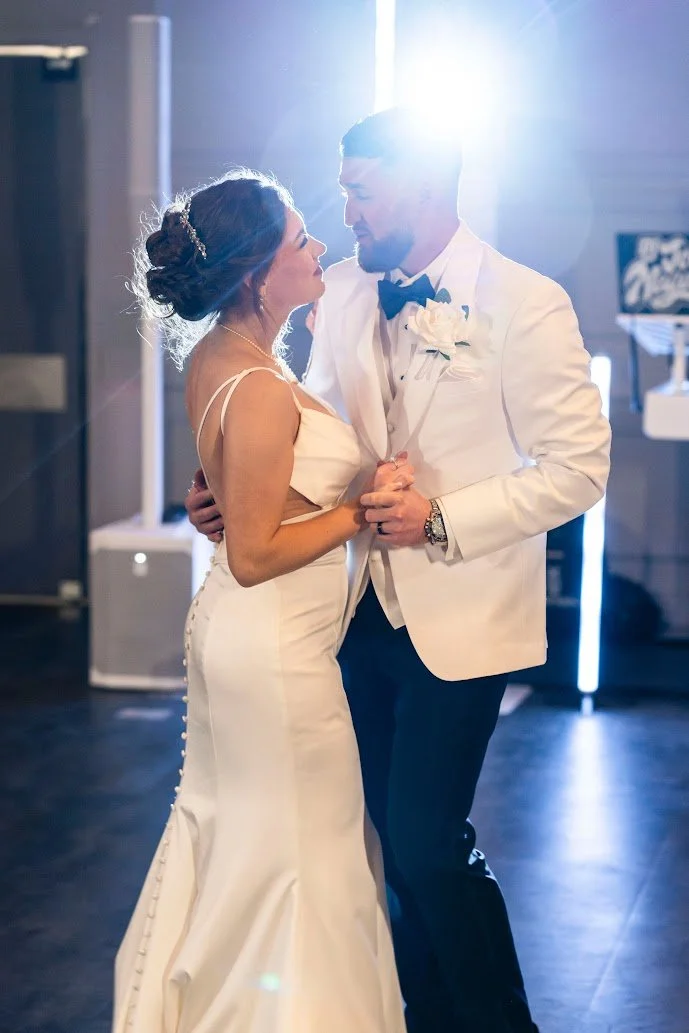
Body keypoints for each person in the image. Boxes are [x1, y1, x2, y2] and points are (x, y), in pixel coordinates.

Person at [187, 109, 612, 1033]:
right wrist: (231, 494)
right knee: (377, 844)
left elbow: (579, 469)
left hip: (460, 617)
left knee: (425, 841)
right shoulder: (338, 291)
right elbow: (316, 437)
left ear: (420, 184)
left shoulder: (524, 301)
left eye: (360, 190)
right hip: (344, 613)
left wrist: (444, 518)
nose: (345, 210)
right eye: (341, 190)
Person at [113, 169, 410, 1033]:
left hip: (246, 640)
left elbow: (247, 501)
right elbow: (253, 552)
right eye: (298, 243)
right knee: (302, 853)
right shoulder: (260, 387)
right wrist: (363, 509)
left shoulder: (220, 356)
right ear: (257, 276)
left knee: (255, 838)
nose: (318, 247)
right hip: (273, 648)